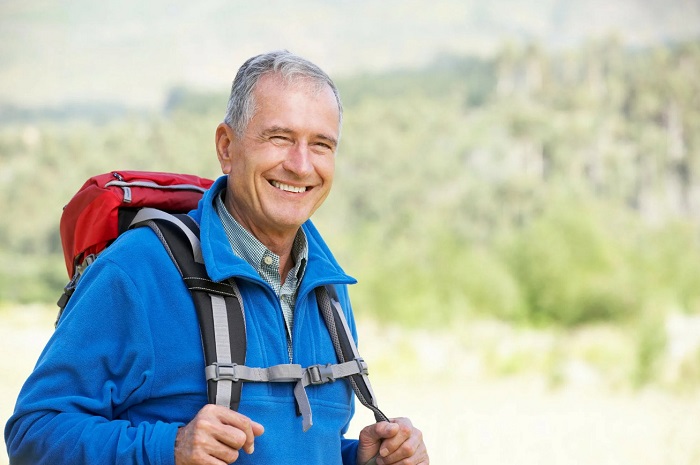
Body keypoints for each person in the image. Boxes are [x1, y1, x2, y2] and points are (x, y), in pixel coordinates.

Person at [5, 51, 429, 465]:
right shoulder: (137, 270)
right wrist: (170, 448)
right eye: (280, 138)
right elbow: (32, 433)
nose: (301, 166)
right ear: (226, 147)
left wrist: (364, 459)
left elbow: (299, 446)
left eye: (321, 145)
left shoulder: (328, 287)